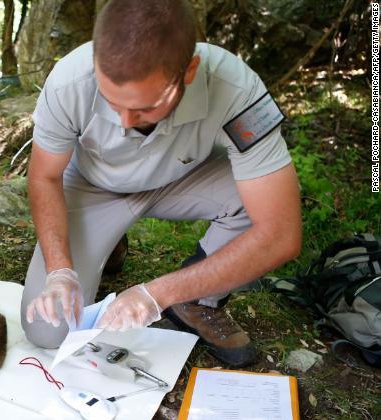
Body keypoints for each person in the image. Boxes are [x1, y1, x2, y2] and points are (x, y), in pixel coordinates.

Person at [21, 0, 302, 366]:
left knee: (268, 201)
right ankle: (107, 242)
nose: (124, 123)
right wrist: (60, 270)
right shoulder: (69, 81)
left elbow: (281, 233)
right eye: (112, 102)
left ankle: (198, 300)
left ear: (189, 71)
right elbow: (44, 175)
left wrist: (158, 293)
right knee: (48, 330)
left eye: (144, 108)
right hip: (92, 185)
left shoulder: (236, 89)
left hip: (182, 178)